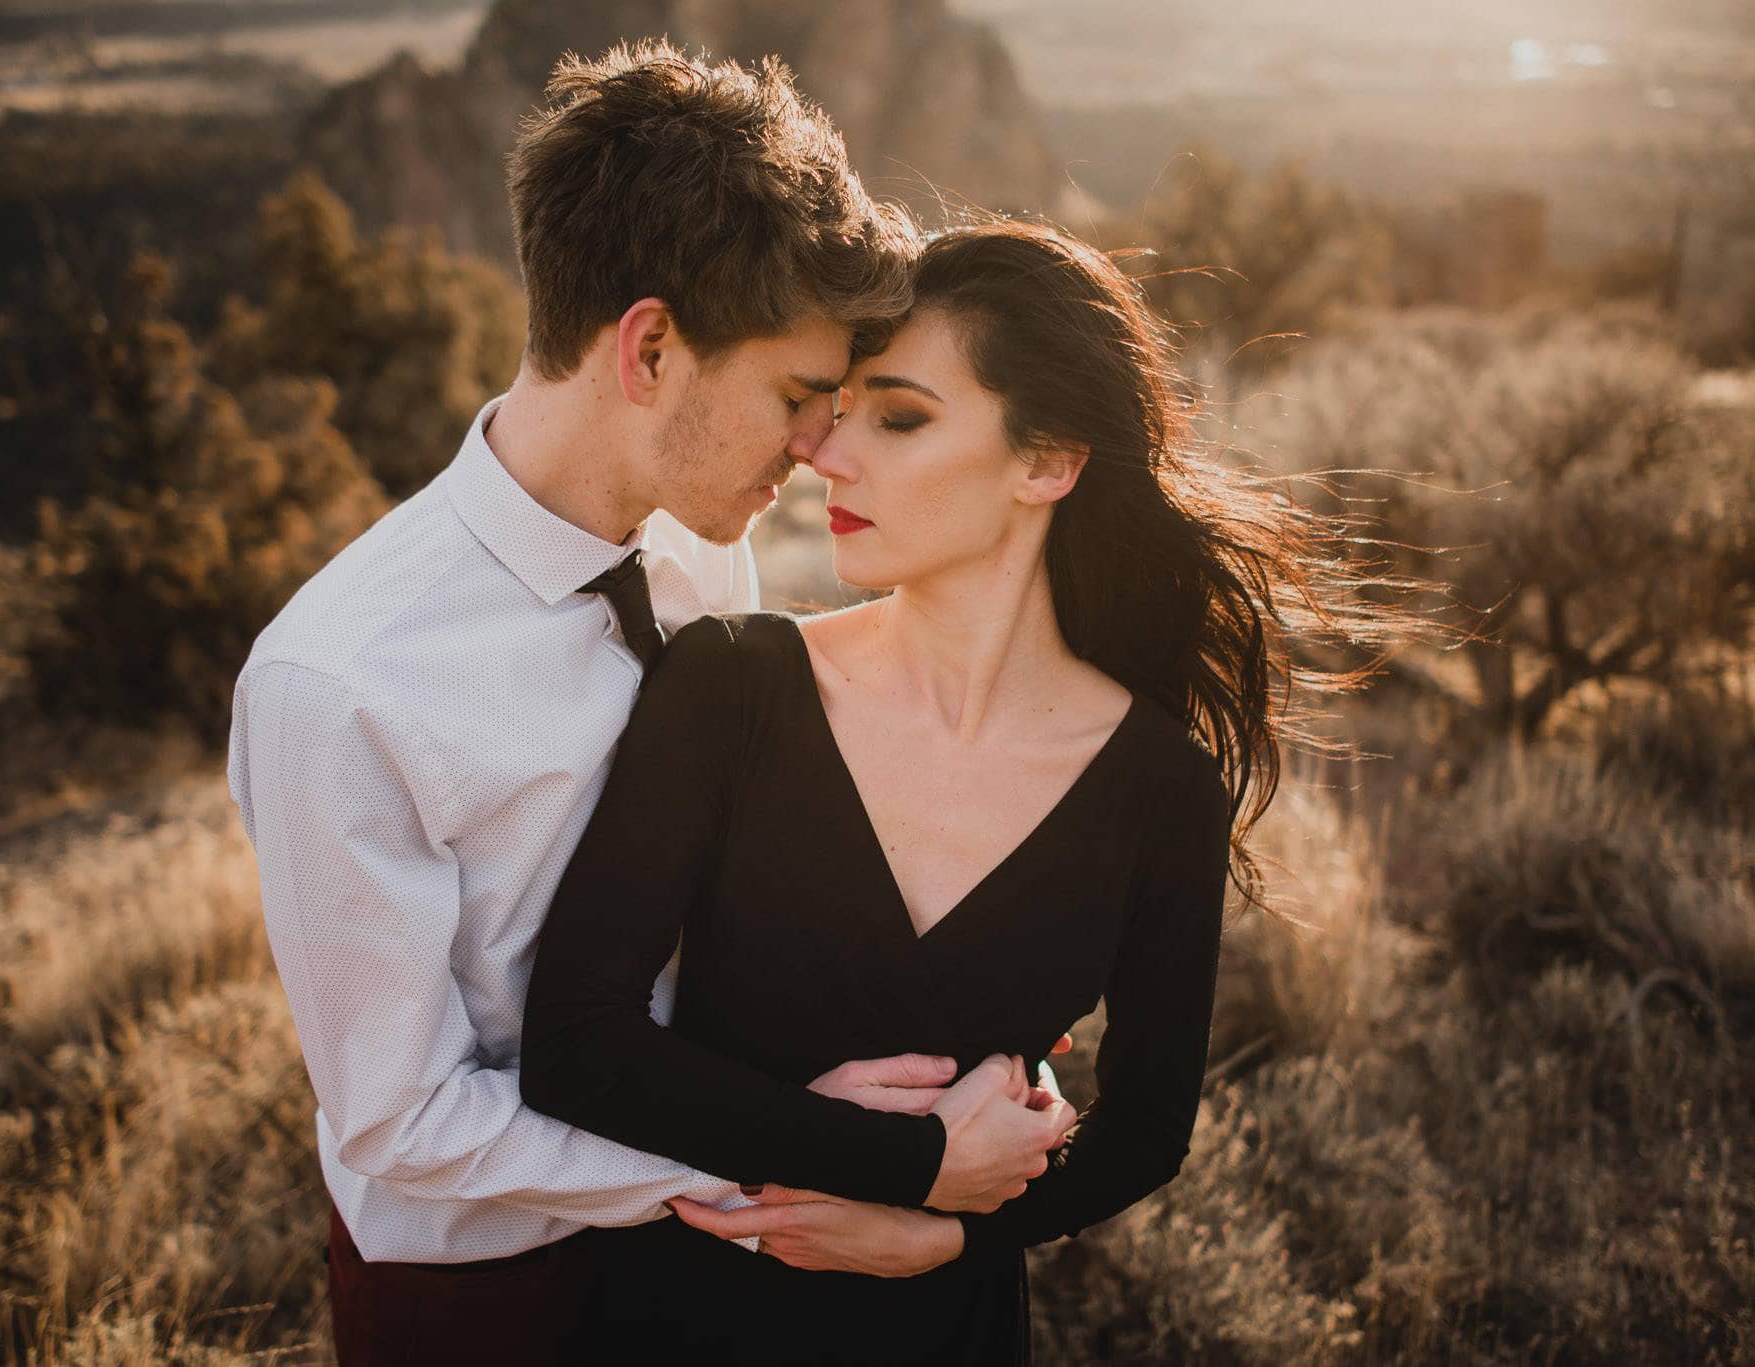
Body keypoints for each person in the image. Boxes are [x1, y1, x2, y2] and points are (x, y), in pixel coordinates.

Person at [223, 44, 1071, 1366]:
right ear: (652, 346)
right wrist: (774, 1146)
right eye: (797, 398)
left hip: (727, 1223)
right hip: (498, 1289)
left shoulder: (692, 553)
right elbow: (404, 1119)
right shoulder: (337, 685)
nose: (816, 450)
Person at [518, 217, 1397, 1363]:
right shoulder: (732, 681)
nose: (828, 454)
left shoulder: (1158, 790)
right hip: (686, 1314)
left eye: (899, 416)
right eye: (838, 410)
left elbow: (1141, 1127)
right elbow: (574, 1042)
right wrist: (914, 1168)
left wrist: (943, 1241)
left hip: (942, 1331)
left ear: (1047, 460)